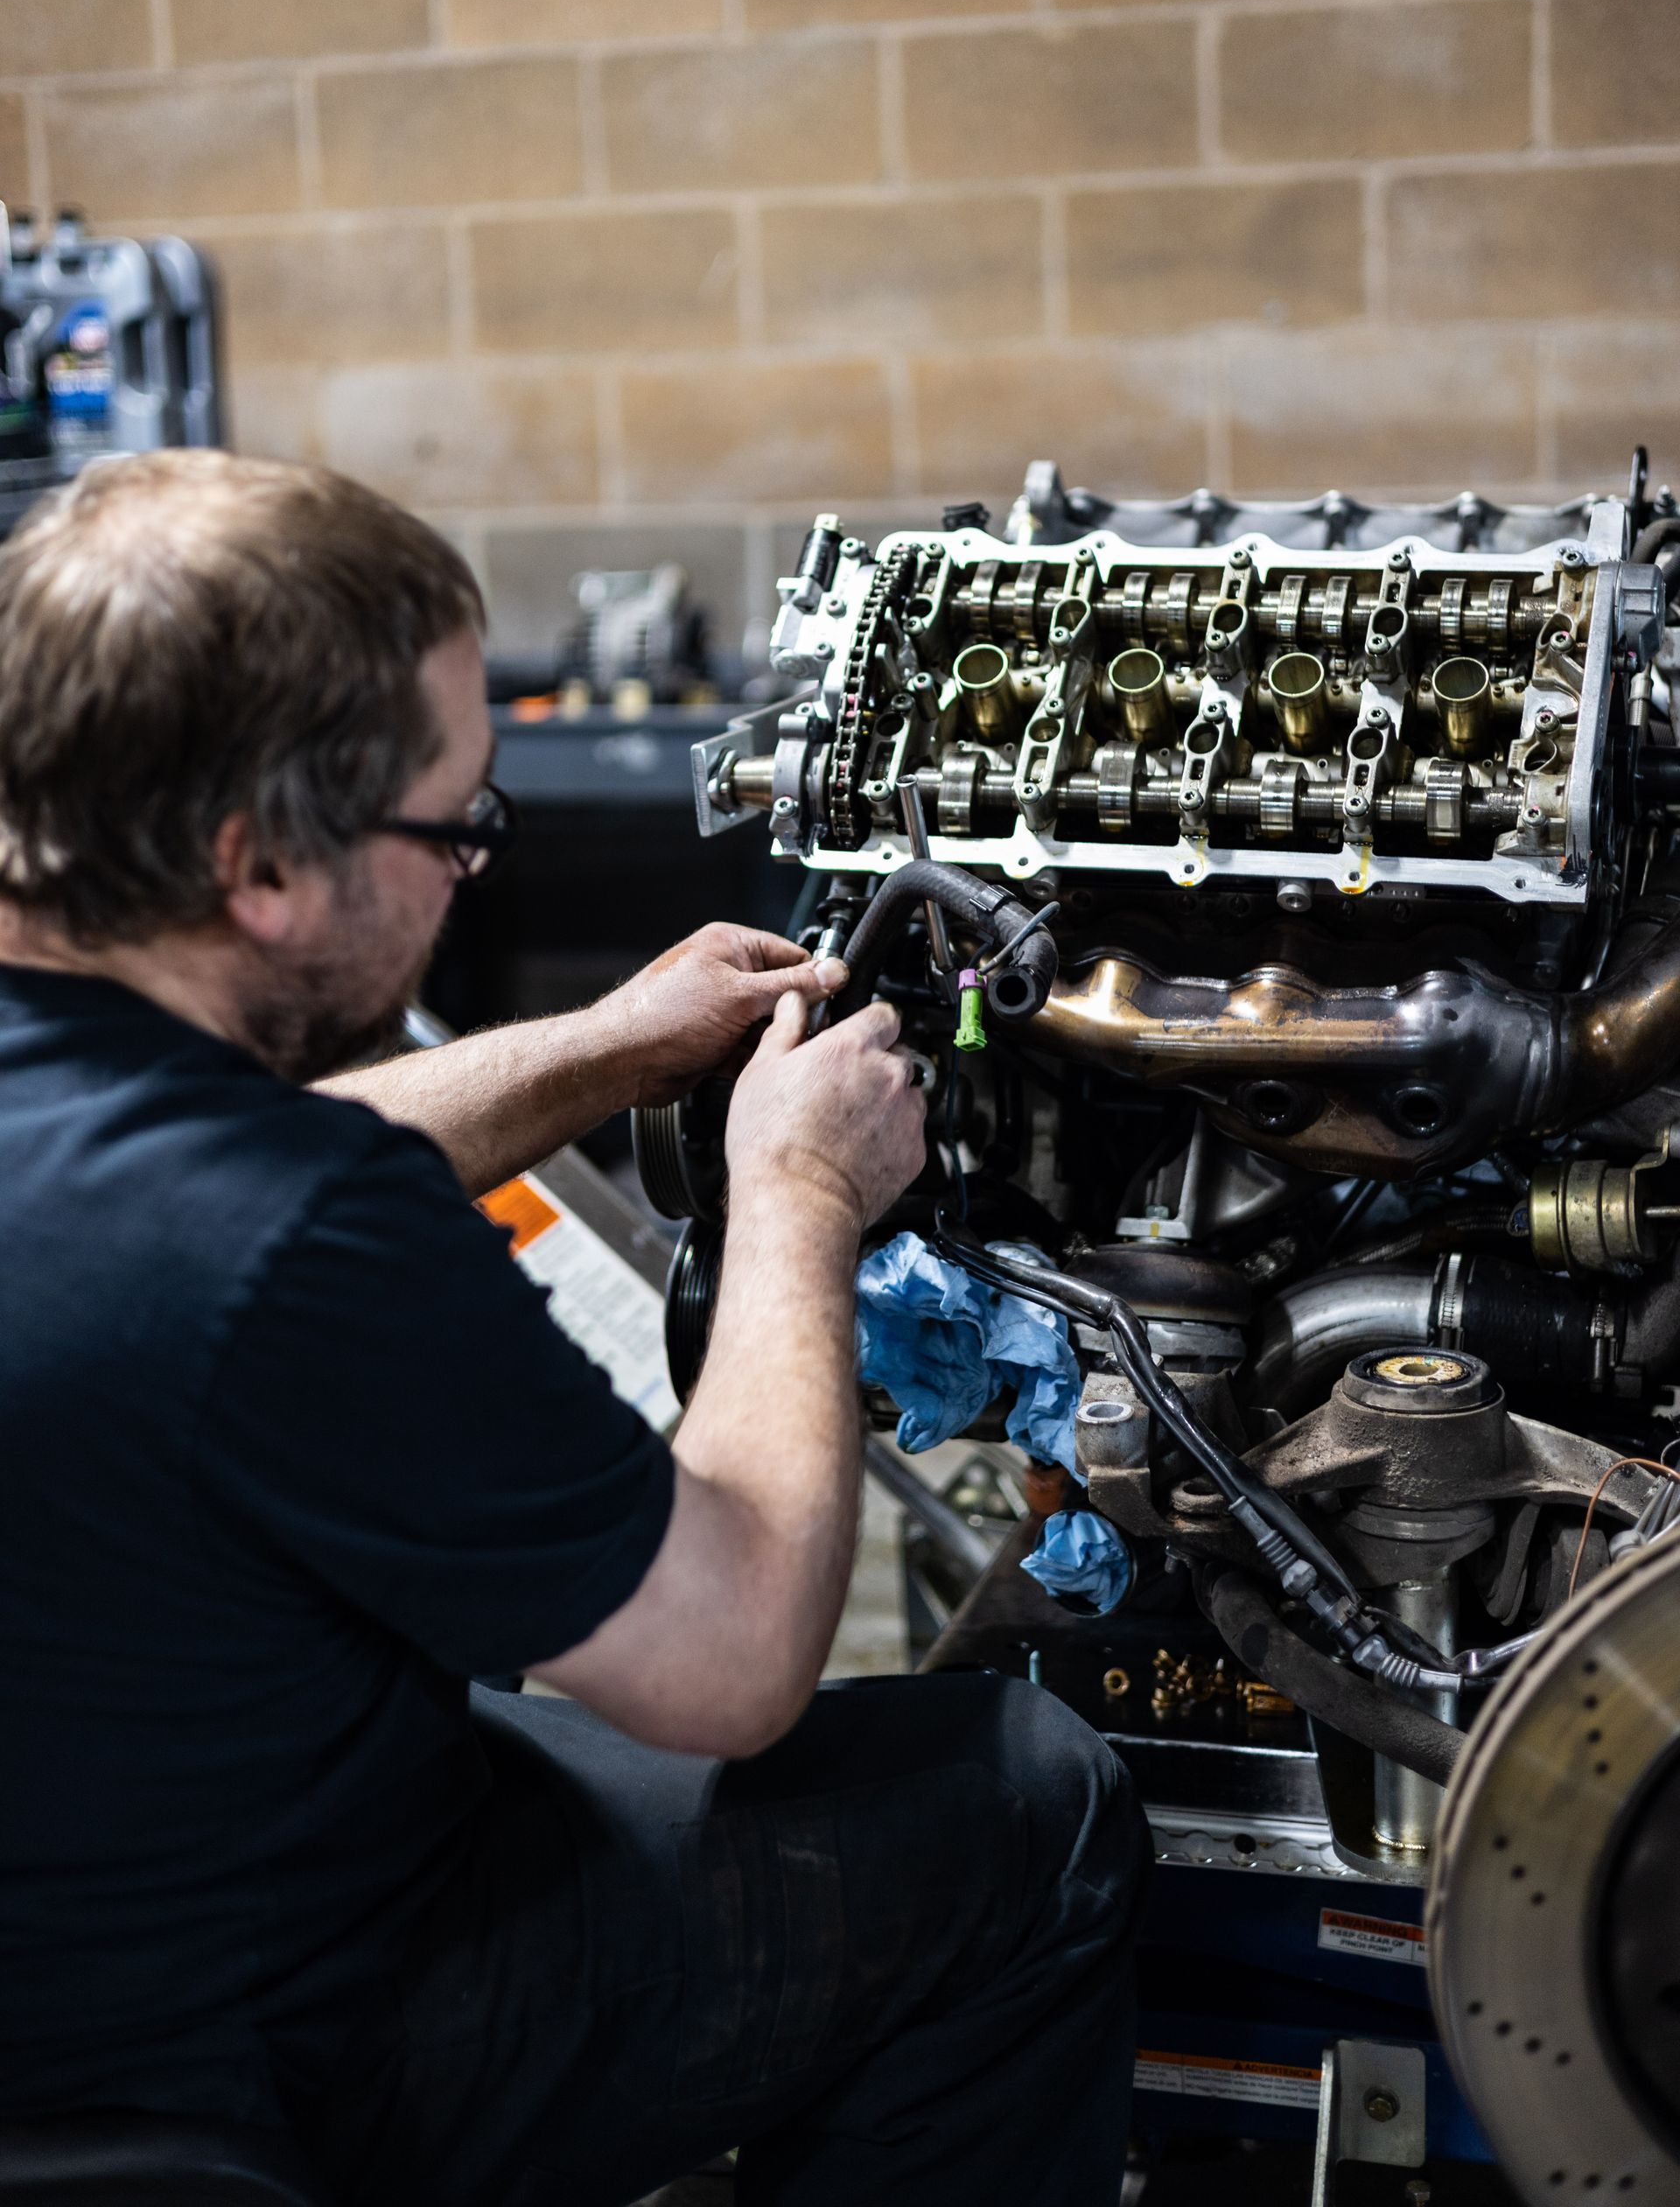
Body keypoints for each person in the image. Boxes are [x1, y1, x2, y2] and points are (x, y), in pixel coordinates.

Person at [0, 451, 1149, 2207]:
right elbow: (736, 1663)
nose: (475, 863)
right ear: (257, 868)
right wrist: (800, 1197)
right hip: (243, 2039)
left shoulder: (124, 1119)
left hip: (84, 1882)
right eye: (458, 823)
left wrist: (610, 1043)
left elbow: (226, 1169)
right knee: (1022, 1798)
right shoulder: (295, 1243)